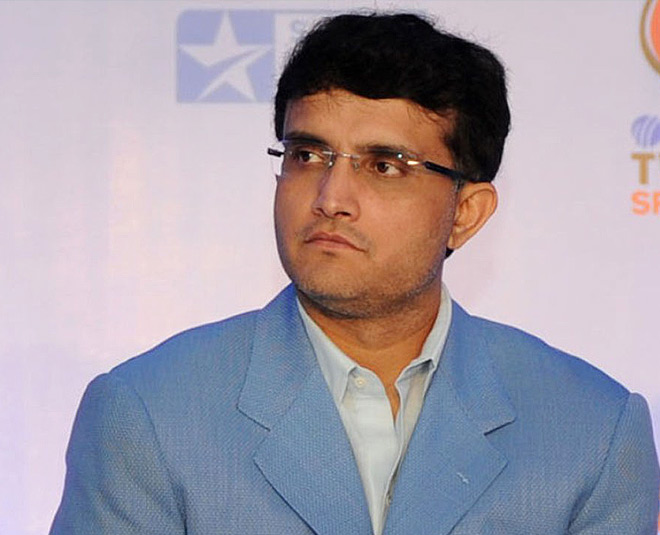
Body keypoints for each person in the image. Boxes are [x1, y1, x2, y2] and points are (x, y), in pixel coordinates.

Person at [51, 12, 659, 535]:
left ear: (465, 213)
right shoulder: (148, 414)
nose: (330, 197)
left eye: (384, 165)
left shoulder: (592, 431)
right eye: (307, 155)